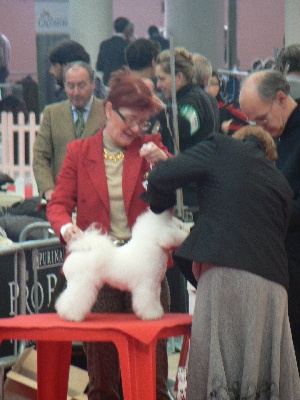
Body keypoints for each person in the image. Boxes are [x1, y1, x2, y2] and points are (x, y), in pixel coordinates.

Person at [145, 125, 300, 399]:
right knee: (264, 373)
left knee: (219, 367)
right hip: (273, 289)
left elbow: (163, 176)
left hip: (225, 274)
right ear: (269, 155)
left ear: (238, 140)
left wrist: (160, 203)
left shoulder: (220, 147)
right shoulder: (280, 184)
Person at [46, 71, 172, 400]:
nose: (135, 129)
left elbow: (172, 200)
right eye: (129, 120)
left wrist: (166, 169)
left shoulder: (151, 149)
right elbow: (58, 203)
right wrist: (64, 227)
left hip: (145, 269)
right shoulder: (78, 152)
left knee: (153, 378)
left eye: (143, 123)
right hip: (100, 267)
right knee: (103, 378)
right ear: (108, 109)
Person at [239, 69, 300, 373]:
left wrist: (267, 212)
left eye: (262, 120)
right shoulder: (277, 134)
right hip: (278, 260)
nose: (259, 128)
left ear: (280, 99)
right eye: (253, 122)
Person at [155, 47, 219, 208]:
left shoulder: (194, 101)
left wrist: (160, 110)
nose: (158, 85)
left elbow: (183, 126)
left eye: (162, 79)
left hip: (193, 193)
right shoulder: (187, 99)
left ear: (179, 77)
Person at [33, 61, 106, 202]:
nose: (76, 92)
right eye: (70, 86)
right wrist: (48, 190)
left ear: (93, 85)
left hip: (99, 199)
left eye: (82, 85)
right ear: (64, 86)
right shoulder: (52, 113)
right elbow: (40, 156)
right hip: (62, 198)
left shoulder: (107, 111)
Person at [207, 70, 248, 135]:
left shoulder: (227, 109)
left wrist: (231, 126)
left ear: (219, 87)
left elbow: (249, 123)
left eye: (212, 83)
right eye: (206, 83)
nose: (208, 87)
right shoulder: (196, 106)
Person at [96, 17, 131, 86]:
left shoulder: (104, 44)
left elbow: (99, 66)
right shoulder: (127, 46)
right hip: (123, 82)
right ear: (126, 28)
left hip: (107, 81)